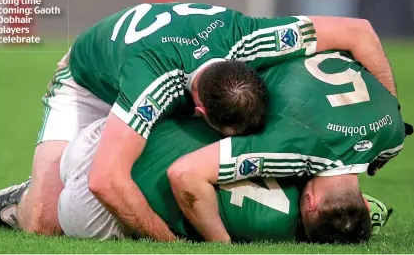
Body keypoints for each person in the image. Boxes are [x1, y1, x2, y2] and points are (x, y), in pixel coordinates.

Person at [0, 2, 397, 239]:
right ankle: (15, 200)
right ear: (200, 112)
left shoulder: (252, 37)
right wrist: (172, 244)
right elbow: (105, 182)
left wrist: (386, 108)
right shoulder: (152, 83)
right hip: (90, 83)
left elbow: (358, 31)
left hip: (172, 64)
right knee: (44, 223)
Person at [166, 51, 410, 243]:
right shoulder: (289, 152)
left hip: (315, 49)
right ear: (310, 204)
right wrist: (221, 244)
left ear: (365, 203)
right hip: (210, 64)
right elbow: (185, 173)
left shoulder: (394, 139)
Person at [58, 118, 392, 243]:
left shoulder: (294, 147)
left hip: (101, 141)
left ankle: (27, 195)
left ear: (311, 203)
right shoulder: (277, 227)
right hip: (87, 211)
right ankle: (23, 201)